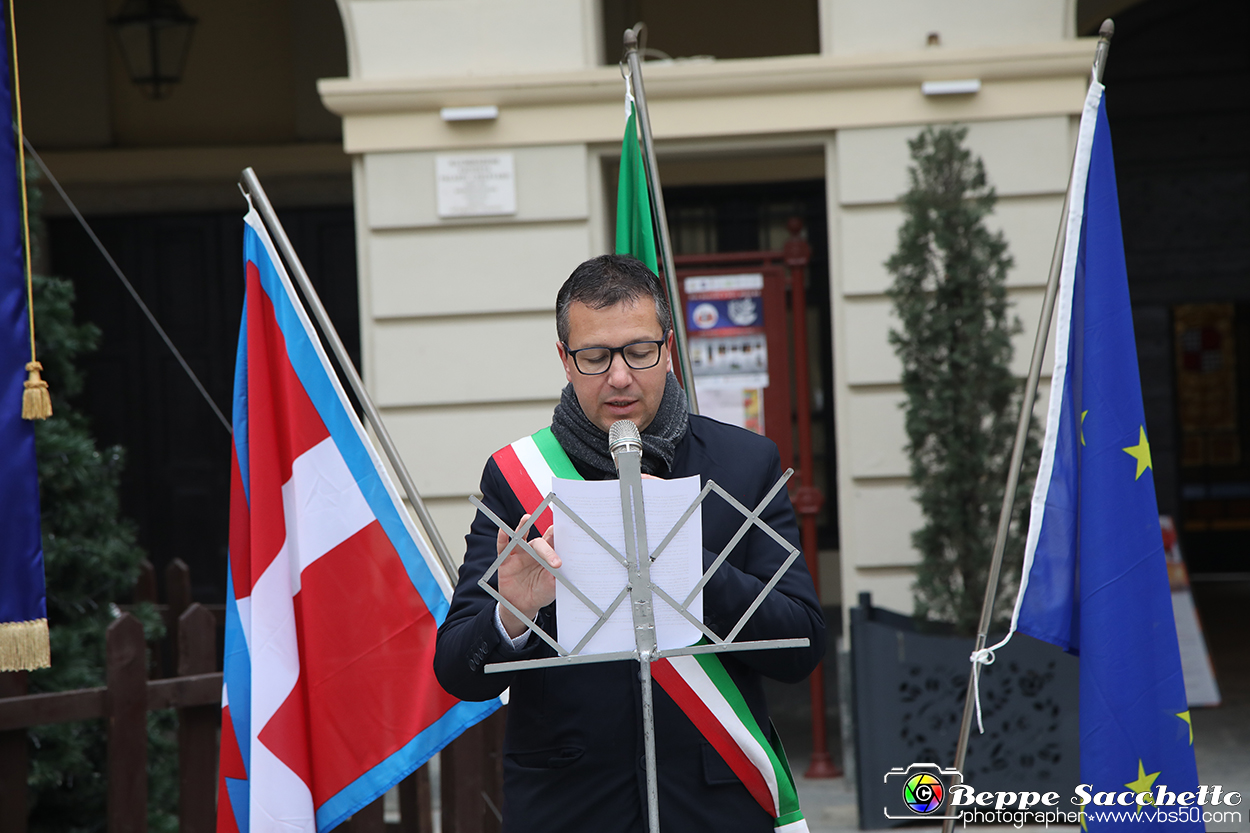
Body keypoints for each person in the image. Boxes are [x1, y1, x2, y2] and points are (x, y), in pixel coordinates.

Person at [433, 254, 826, 832]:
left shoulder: (745, 463)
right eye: (594, 357)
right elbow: (456, 671)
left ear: (668, 348)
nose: (619, 377)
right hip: (569, 805)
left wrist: (688, 561)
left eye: (639, 353)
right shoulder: (517, 476)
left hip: (715, 801)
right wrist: (512, 615)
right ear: (565, 361)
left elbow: (802, 646)